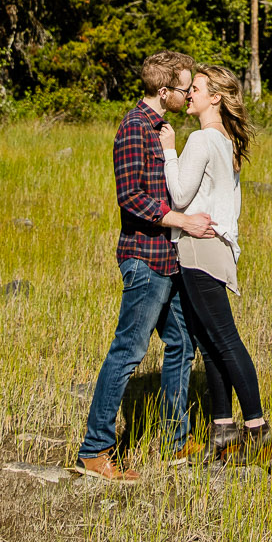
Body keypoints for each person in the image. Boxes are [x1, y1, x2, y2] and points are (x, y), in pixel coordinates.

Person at [76, 51, 217, 482]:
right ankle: (95, 450)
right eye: (183, 88)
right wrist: (184, 222)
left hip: (169, 259)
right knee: (128, 352)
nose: (188, 93)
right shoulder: (134, 130)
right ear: (163, 91)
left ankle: (176, 440)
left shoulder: (163, 130)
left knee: (181, 344)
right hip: (144, 259)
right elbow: (131, 198)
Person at [158, 64, 272, 462]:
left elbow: (178, 196)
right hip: (220, 248)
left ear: (215, 98)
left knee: (223, 340)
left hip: (198, 248)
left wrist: (169, 150)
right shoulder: (227, 142)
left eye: (197, 89)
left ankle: (257, 429)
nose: (188, 94)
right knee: (209, 343)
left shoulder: (203, 140)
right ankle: (223, 430)